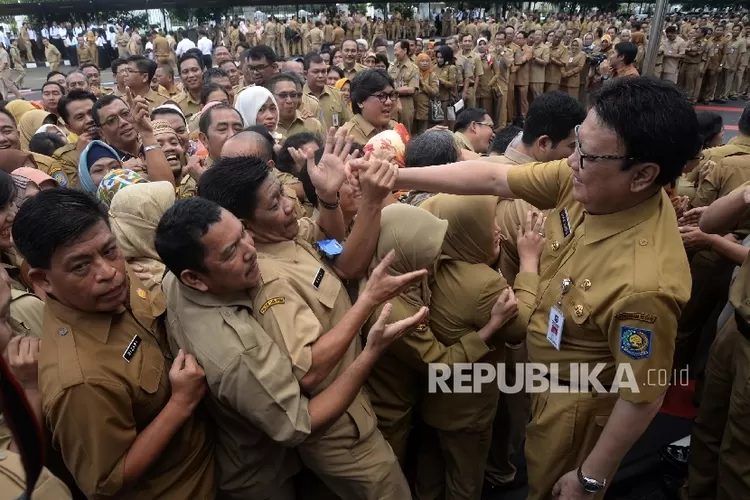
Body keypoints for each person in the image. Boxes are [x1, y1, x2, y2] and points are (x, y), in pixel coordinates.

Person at [349, 75, 700, 500]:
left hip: (578, 404)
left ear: (643, 174)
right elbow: (494, 179)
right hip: (544, 379)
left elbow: (643, 393)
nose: (571, 161)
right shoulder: (589, 183)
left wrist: (592, 477)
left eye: (585, 154)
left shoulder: (646, 283)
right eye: (575, 144)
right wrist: (397, 176)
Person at [155, 196, 424, 499]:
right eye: (231, 252)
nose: (251, 249)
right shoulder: (239, 353)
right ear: (194, 278)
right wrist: (371, 350)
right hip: (261, 473)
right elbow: (302, 423)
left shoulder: (173, 276)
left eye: (242, 233)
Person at [198, 130, 414, 498]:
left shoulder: (285, 234)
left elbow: (342, 262)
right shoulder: (269, 281)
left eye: (281, 192)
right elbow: (310, 372)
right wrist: (365, 304)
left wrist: (327, 197)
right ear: (243, 227)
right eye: (273, 204)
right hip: (339, 430)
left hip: (356, 404)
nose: (289, 206)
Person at [11, 188, 216, 498]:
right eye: (80, 266)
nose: (108, 272)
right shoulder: (79, 382)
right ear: (43, 281)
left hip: (215, 452)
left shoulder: (107, 286)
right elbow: (106, 481)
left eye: (109, 250)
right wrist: (180, 403)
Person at [340, 69, 399, 146]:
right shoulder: (347, 137)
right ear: (360, 101)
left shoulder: (395, 127)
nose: (389, 102)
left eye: (391, 95)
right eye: (381, 96)